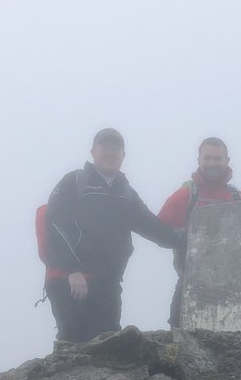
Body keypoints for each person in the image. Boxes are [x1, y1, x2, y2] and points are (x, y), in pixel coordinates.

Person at [43, 128, 183, 342]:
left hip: (107, 283)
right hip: (69, 280)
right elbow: (54, 224)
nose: (110, 152)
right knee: (73, 343)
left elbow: (151, 226)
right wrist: (72, 270)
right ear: (93, 152)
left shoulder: (125, 192)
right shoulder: (74, 181)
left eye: (116, 148)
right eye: (105, 146)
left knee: (107, 345)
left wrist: (186, 241)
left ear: (123, 155)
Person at [158, 137, 241, 325]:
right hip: (189, 282)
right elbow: (158, 231)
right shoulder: (185, 195)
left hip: (234, 286)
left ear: (227, 161)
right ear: (199, 161)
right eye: (207, 158)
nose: (212, 163)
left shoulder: (239, 198)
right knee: (180, 337)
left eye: (217, 158)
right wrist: (184, 238)